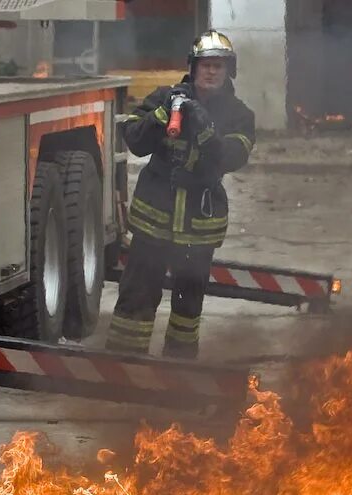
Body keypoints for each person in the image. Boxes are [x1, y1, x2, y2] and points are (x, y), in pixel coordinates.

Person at [107, 30, 256, 359]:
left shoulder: (239, 115)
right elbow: (134, 139)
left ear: (229, 70)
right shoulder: (164, 97)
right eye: (206, 65)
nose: (212, 71)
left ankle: (178, 376)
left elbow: (233, 158)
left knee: (188, 307)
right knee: (136, 298)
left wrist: (206, 132)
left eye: (219, 65)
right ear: (193, 67)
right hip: (153, 221)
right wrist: (162, 116)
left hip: (199, 227)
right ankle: (121, 372)